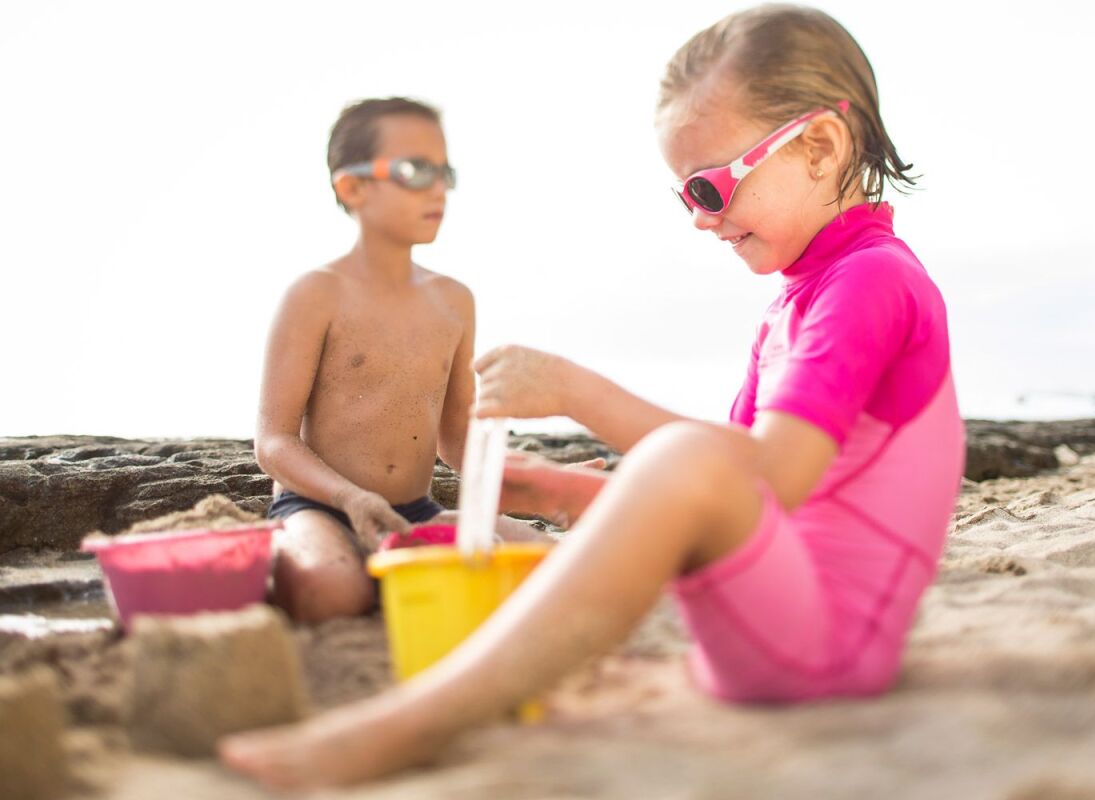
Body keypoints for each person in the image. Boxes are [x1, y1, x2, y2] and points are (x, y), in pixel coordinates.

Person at [220, 5, 965, 788]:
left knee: (688, 456)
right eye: (686, 198)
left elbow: (763, 478)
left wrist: (577, 392)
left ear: (820, 144)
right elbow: (735, 496)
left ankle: (414, 721)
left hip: (822, 651)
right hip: (774, 632)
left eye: (711, 188)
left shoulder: (872, 282)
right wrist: (565, 489)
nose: (702, 221)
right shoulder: (808, 292)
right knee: (682, 463)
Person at [257, 97, 542, 624]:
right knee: (331, 592)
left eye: (444, 172)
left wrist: (539, 479)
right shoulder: (316, 294)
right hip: (321, 507)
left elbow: (456, 437)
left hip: (413, 513)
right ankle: (294, 555)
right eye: (415, 170)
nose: (437, 188)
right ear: (353, 187)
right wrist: (349, 498)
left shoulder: (454, 300)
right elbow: (273, 441)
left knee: (547, 560)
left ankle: (389, 574)